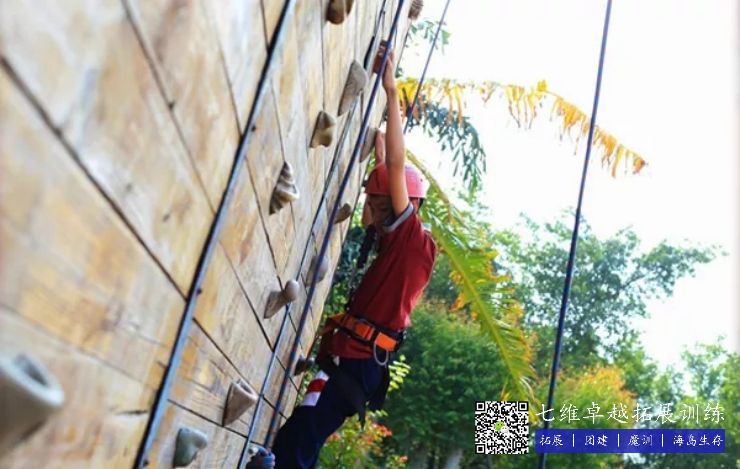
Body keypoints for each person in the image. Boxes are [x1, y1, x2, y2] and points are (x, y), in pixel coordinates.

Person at [269, 48, 437, 469]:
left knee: (296, 447)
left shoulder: (412, 241)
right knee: (296, 439)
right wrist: (378, 149)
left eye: (376, 204)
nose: (370, 215)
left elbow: (396, 167)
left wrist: (391, 91)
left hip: (357, 363)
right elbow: (388, 169)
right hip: (352, 359)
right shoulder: (400, 244)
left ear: (403, 203)